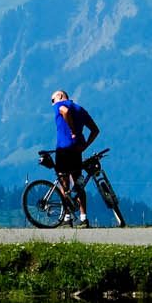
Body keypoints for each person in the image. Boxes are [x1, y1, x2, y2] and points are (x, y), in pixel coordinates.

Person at [50, 89, 100, 226]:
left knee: (64, 183)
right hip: (76, 150)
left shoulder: (60, 105)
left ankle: (67, 217)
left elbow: (64, 111)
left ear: (60, 96)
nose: (52, 104)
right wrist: (85, 146)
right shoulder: (80, 109)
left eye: (52, 100)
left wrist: (72, 130)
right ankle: (84, 218)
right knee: (78, 183)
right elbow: (95, 130)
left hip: (63, 149)